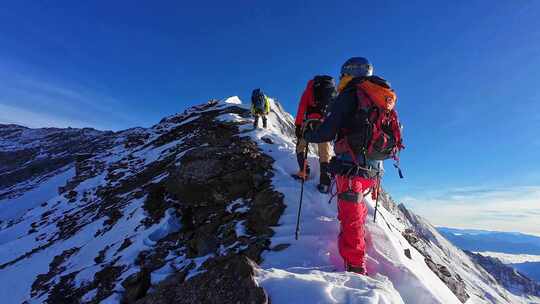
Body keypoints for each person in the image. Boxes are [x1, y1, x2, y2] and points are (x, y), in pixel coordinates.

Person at [303, 57, 403, 274]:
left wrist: (310, 135)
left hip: (351, 167)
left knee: (350, 218)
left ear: (348, 73)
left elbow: (329, 130)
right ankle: (358, 249)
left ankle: (356, 267)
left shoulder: (349, 94)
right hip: (374, 168)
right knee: (356, 212)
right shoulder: (379, 96)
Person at [292, 75, 336, 193]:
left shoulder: (309, 90)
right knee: (324, 152)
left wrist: (298, 125)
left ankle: (304, 172)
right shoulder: (331, 91)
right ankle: (324, 182)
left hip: (310, 122)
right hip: (324, 123)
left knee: (300, 147)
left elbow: (302, 108)